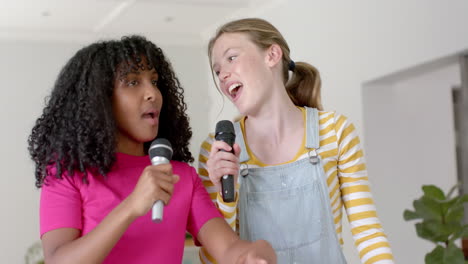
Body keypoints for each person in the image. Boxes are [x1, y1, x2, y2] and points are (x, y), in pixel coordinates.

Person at [28, 35, 276, 264]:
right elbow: (58, 260)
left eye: (154, 82)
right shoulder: (66, 173)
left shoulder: (181, 177)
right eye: (132, 82)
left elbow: (228, 248)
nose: (152, 93)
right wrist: (132, 206)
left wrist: (251, 254)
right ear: (99, 98)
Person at [198, 18, 394, 264]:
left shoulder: (334, 131)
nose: (223, 75)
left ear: (272, 55)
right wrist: (225, 197)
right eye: (217, 70)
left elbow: (368, 234)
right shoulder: (216, 150)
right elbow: (212, 257)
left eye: (232, 57)